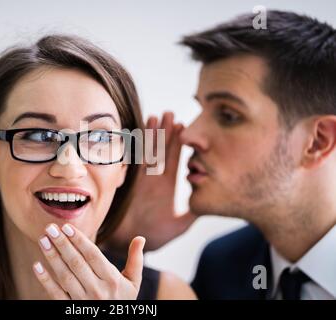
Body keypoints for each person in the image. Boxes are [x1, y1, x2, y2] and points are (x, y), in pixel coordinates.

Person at [0, 35, 195, 300]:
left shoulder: (169, 294)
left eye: (99, 136)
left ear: (124, 164)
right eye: (38, 135)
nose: (69, 167)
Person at [108, 10, 336, 299]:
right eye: (201, 109)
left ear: (317, 141)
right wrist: (125, 245)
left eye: (228, 115)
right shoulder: (222, 265)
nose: (189, 134)